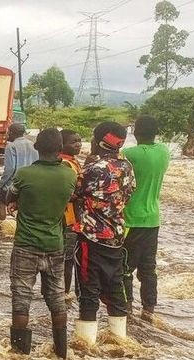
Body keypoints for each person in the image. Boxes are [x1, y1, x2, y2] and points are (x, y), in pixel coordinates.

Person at [6, 128, 77, 358]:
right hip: (55, 244)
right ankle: (61, 353)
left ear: (36, 148)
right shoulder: (69, 175)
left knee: (21, 299)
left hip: (26, 245)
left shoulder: (25, 175)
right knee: (57, 298)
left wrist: (17, 203)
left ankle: (19, 357)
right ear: (60, 149)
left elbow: (9, 197)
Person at [73, 122, 136, 346]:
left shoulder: (94, 169)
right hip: (117, 236)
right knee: (115, 287)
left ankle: (86, 348)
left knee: (88, 290)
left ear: (99, 142)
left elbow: (74, 192)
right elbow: (128, 194)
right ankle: (120, 341)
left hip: (92, 237)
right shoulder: (126, 166)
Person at [122, 116, 170, 321]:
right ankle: (149, 308)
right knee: (148, 268)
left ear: (135, 132)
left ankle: (126, 307)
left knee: (124, 267)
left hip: (131, 219)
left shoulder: (128, 154)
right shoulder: (164, 152)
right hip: (153, 218)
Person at [0, 123, 39, 227]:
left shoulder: (11, 146)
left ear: (11, 133)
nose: (7, 135)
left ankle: (0, 228)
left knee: (1, 203)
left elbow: (10, 169)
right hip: (31, 182)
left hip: (14, 183)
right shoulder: (33, 144)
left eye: (8, 133)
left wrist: (1, 184)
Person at [59, 129, 82, 298]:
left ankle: (63, 291)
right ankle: (64, 293)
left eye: (79, 141)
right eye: (73, 142)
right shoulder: (64, 164)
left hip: (71, 216)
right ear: (62, 145)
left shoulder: (73, 162)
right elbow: (68, 192)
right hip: (67, 217)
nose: (78, 144)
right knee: (67, 258)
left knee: (68, 258)